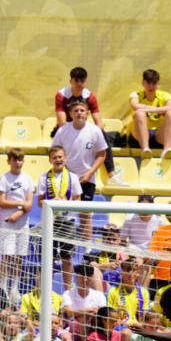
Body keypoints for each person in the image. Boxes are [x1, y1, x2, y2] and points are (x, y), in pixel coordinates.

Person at [53, 66, 126, 187]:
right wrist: (76, 129)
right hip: (65, 130)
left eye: (82, 81)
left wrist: (91, 132)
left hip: (83, 129)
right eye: (76, 80)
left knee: (102, 134)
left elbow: (99, 124)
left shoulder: (89, 96)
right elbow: (62, 122)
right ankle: (62, 175)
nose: (79, 84)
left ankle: (112, 174)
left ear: (86, 82)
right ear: (71, 81)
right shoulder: (61, 95)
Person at [52, 100, 108, 244]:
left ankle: (87, 253)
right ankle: (60, 251)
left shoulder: (95, 130)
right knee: (62, 215)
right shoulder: (63, 131)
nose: (79, 113)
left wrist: (89, 173)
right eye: (75, 111)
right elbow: (54, 153)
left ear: (87, 113)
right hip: (66, 179)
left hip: (86, 179)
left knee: (85, 215)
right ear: (70, 114)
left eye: (82, 110)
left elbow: (102, 154)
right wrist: (65, 175)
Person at [37, 145, 82, 290]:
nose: (58, 160)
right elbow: (39, 202)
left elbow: (78, 200)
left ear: (65, 158)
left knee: (67, 257)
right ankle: (46, 290)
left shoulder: (73, 177)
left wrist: (65, 203)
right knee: (48, 257)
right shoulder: (43, 177)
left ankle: (68, 290)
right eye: (54, 157)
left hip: (68, 222)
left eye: (60, 157)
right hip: (50, 222)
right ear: (50, 160)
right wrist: (51, 203)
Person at [0, 148, 35, 302]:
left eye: (20, 160)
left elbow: (30, 203)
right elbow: (2, 202)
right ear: (9, 161)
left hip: (22, 222)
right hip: (7, 223)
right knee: (7, 256)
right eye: (15, 160)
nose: (18, 163)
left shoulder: (28, 179)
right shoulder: (4, 178)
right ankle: (3, 288)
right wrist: (20, 203)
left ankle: (14, 289)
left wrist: (18, 213)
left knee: (19, 257)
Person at [129, 69, 171, 159]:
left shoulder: (164, 95)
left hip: (158, 136)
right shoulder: (135, 94)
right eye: (148, 83)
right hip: (138, 137)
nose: (151, 86)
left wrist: (147, 110)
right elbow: (135, 105)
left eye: (154, 83)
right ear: (143, 83)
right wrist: (160, 110)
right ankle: (145, 150)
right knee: (140, 114)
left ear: (158, 84)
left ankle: (166, 151)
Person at [107, 260, 150, 341]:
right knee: (127, 333)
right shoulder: (112, 291)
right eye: (127, 270)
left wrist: (141, 324)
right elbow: (109, 316)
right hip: (119, 326)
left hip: (138, 326)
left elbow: (146, 315)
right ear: (121, 272)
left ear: (138, 273)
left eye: (133, 270)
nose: (131, 273)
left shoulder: (144, 292)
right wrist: (125, 324)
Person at [62, 263, 107, 341]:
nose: (85, 280)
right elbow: (69, 313)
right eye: (82, 276)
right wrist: (85, 311)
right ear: (76, 277)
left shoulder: (99, 294)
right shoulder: (68, 294)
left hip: (93, 325)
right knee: (83, 315)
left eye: (88, 276)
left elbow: (103, 312)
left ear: (92, 278)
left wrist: (93, 312)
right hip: (74, 328)